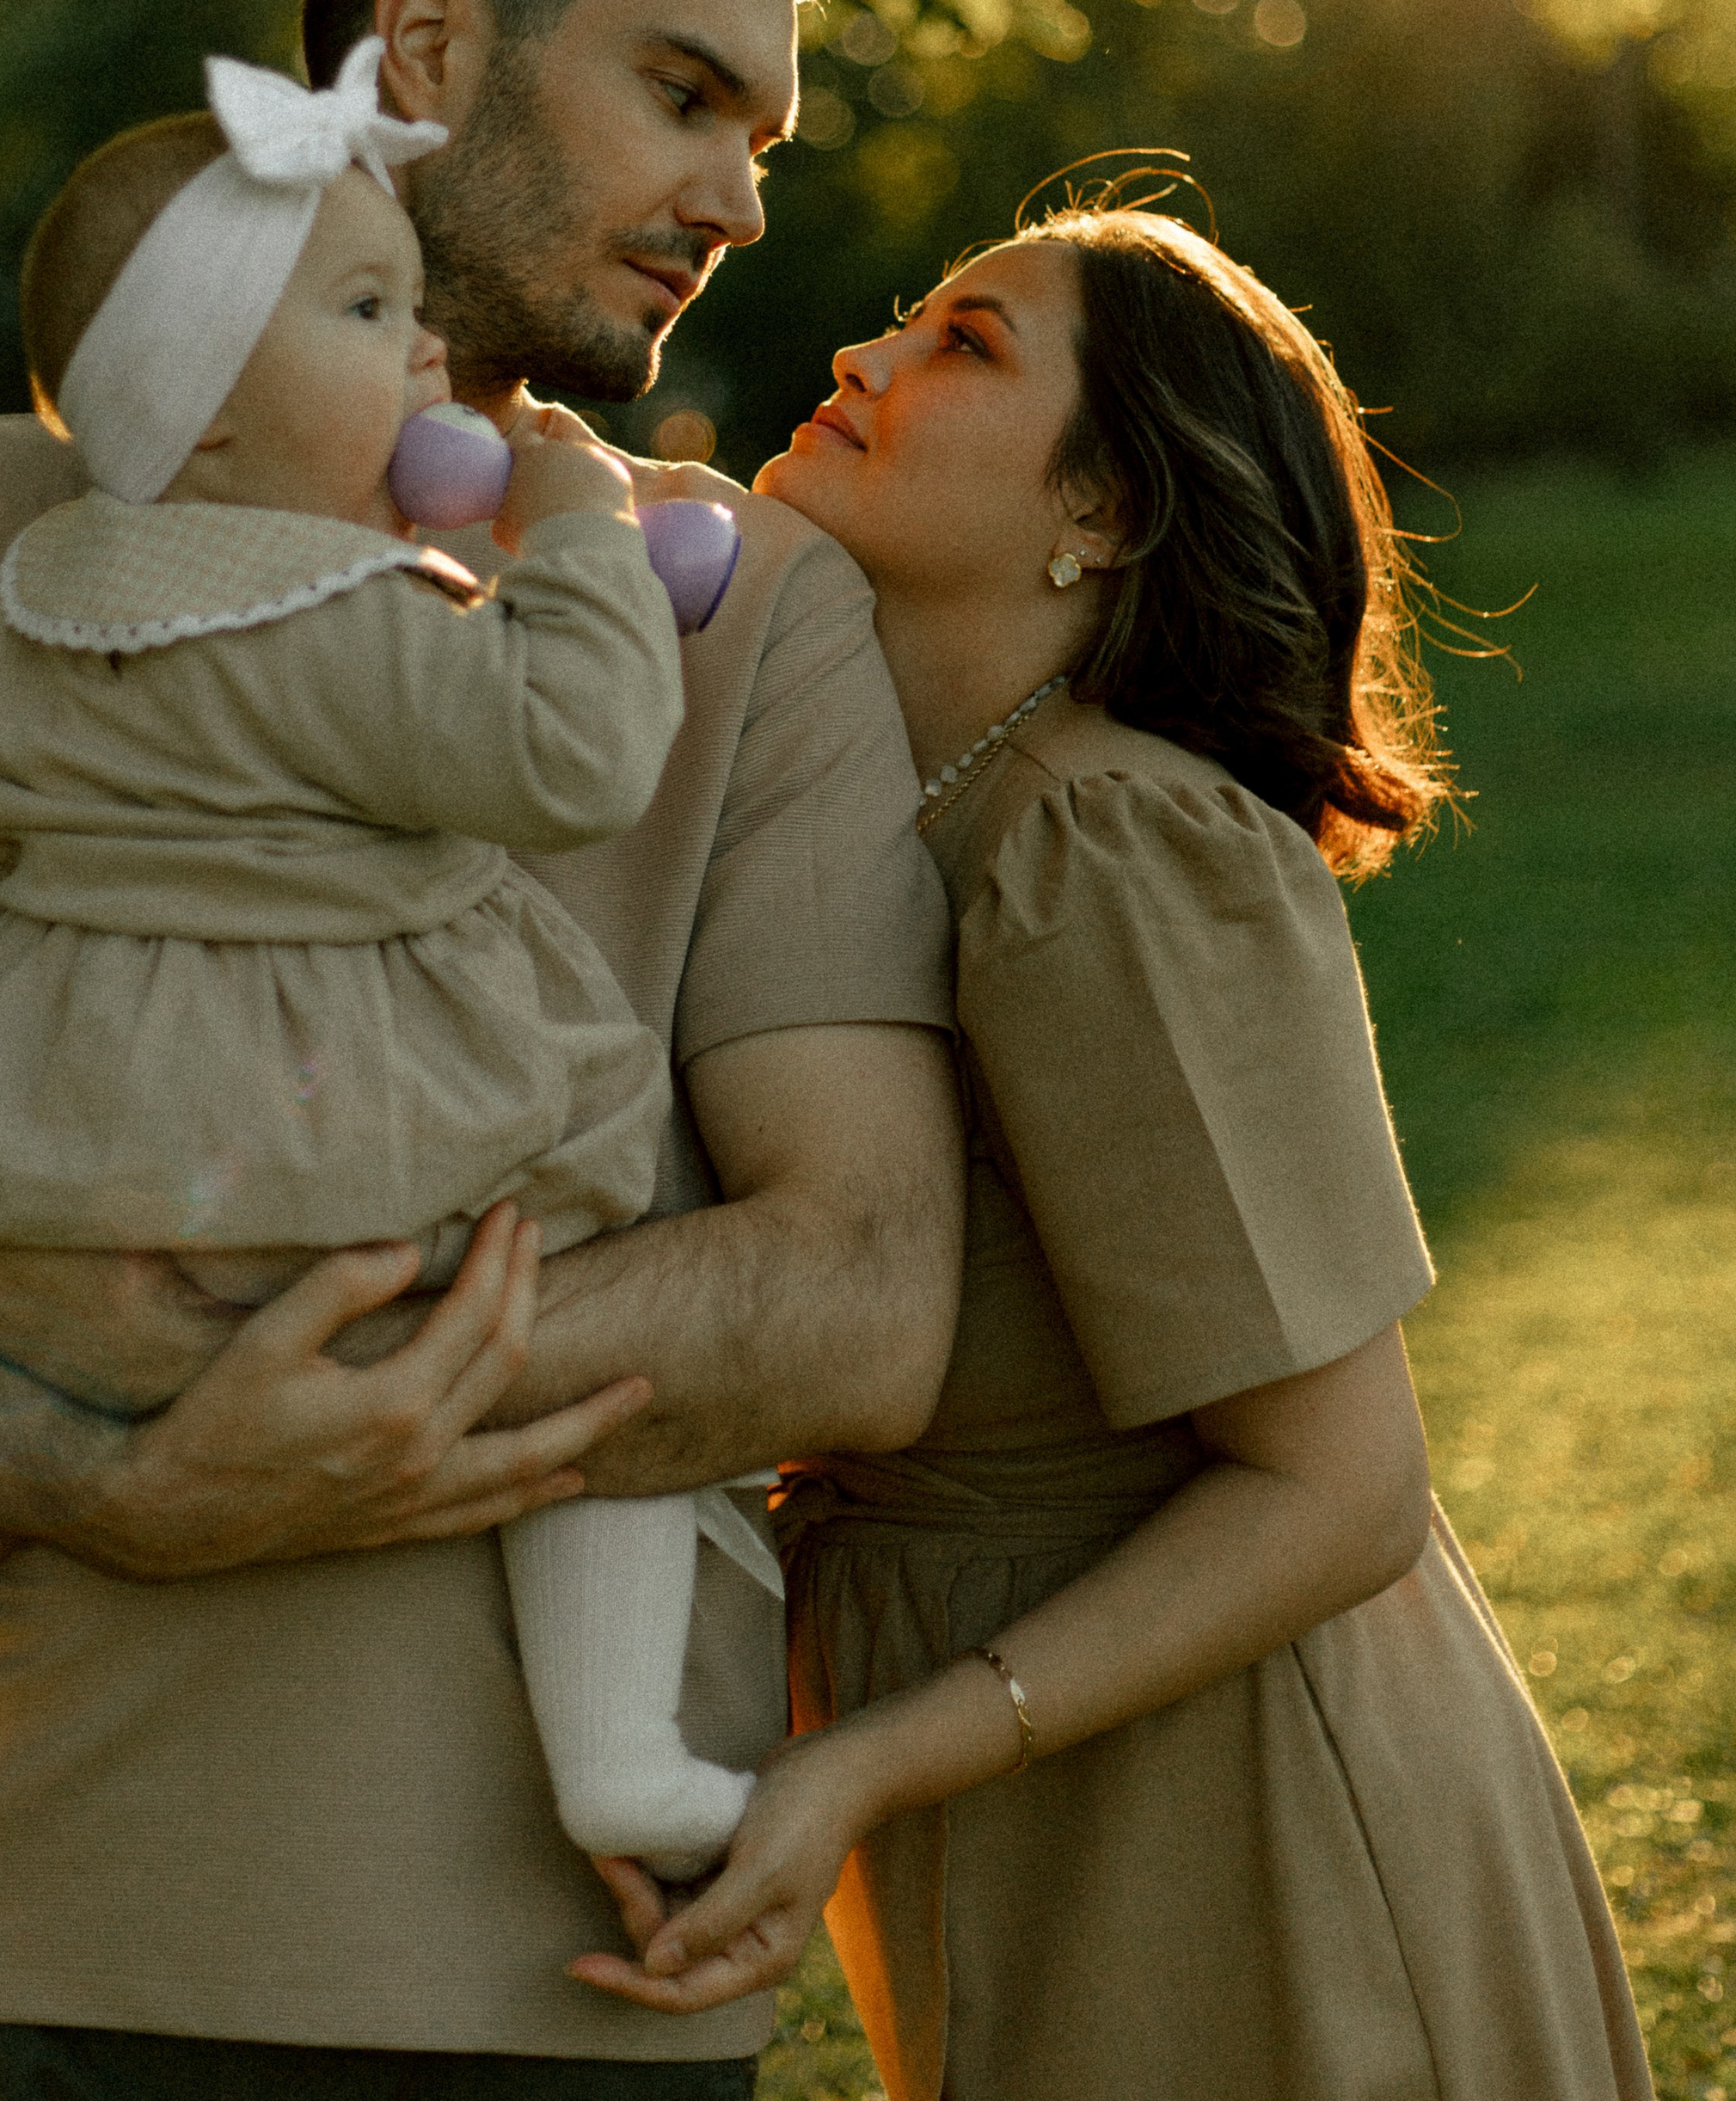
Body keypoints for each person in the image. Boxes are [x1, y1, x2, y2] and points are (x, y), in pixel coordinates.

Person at [0, 0, 961, 2097]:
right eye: (684, 95)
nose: (734, 197)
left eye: (765, 143)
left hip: (537, 2007)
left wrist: (309, 1414)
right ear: (422, 49)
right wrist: (107, 1480)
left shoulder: (746, 608)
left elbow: (866, 1294)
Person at [575, 202, 1655, 2101]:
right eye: (908, 320)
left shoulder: (1096, 846)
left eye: (967, 347)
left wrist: (863, 1762)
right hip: (1032, 1791)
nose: (863, 354)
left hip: (1246, 1826)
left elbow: (1339, 1489)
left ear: (1109, 511)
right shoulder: (891, 820)